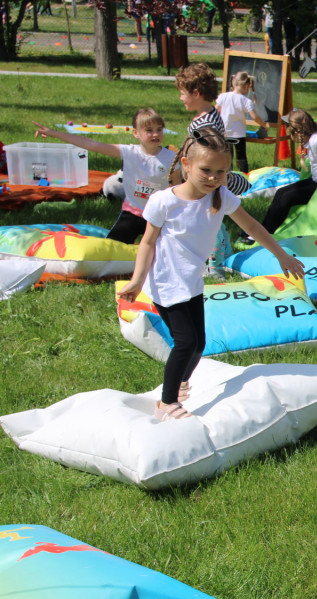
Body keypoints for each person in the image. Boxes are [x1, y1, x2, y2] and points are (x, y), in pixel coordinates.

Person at [116, 129, 303, 421]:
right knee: (186, 342)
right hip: (166, 281)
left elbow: (253, 228)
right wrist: (138, 280)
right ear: (186, 166)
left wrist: (282, 255)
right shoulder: (165, 201)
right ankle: (167, 403)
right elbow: (148, 242)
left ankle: (178, 383)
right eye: (206, 170)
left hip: (191, 280)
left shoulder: (220, 196)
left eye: (221, 171)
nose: (213, 177)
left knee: (199, 343)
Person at [32, 108, 175, 245]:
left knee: (160, 253)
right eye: (149, 130)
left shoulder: (171, 157)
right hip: (132, 212)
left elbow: (179, 185)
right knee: (112, 249)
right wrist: (54, 133)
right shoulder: (130, 152)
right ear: (136, 133)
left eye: (159, 129)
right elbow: (91, 144)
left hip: (157, 216)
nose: (155, 134)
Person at [259, 108, 317, 236]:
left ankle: (266, 233)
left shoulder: (315, 140)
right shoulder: (314, 137)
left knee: (286, 198)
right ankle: (263, 228)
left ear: (297, 131)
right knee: (281, 192)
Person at [173, 63, 250, 196]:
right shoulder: (210, 113)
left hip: (210, 180)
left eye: (182, 94)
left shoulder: (207, 124)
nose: (180, 98)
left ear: (196, 94)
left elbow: (212, 157)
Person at [216, 71, 268, 173]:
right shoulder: (245, 101)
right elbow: (254, 116)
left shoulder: (223, 96)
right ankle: (244, 175)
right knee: (241, 157)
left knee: (227, 157)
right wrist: (263, 124)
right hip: (238, 134)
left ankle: (227, 176)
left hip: (224, 132)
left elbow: (215, 110)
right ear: (247, 85)